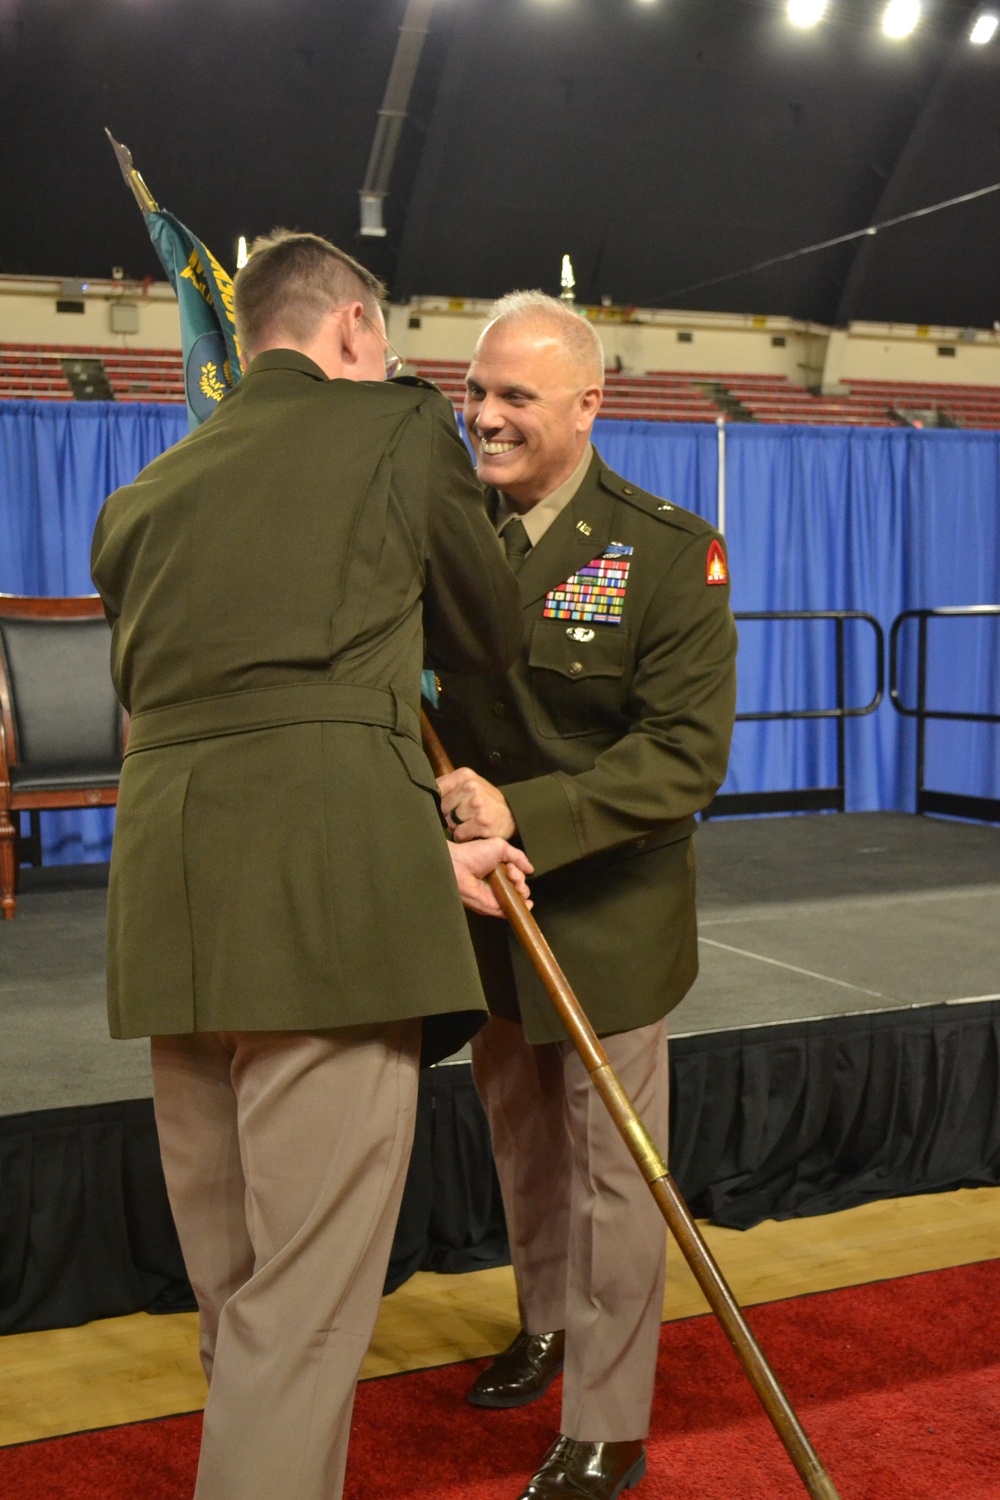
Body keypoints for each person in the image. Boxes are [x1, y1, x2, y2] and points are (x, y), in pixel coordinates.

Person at [89, 231, 532, 1500]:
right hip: (329, 910)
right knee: (305, 1307)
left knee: (236, 1295)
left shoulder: (142, 502)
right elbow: (491, 633)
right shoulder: (393, 430)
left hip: (172, 919)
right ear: (349, 331)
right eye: (382, 339)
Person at [428, 291, 738, 1500]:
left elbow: (683, 757)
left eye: (515, 397)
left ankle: (607, 1420)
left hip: (607, 912)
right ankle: (545, 1317)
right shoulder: (442, 531)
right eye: (475, 393)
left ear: (587, 404)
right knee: (518, 1133)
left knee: (616, 1174)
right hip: (482, 903)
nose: (486, 418)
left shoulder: (665, 549)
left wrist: (530, 818)